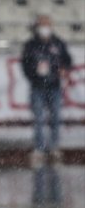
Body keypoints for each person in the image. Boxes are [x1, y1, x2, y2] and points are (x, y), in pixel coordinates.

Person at [21, 15, 72, 165]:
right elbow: (25, 64)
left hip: (54, 86)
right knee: (39, 118)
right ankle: (39, 148)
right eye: (42, 25)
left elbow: (67, 60)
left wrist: (63, 69)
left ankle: (54, 147)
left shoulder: (58, 43)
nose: (45, 29)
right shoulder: (31, 45)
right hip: (38, 87)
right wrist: (34, 74)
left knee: (55, 117)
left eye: (47, 25)